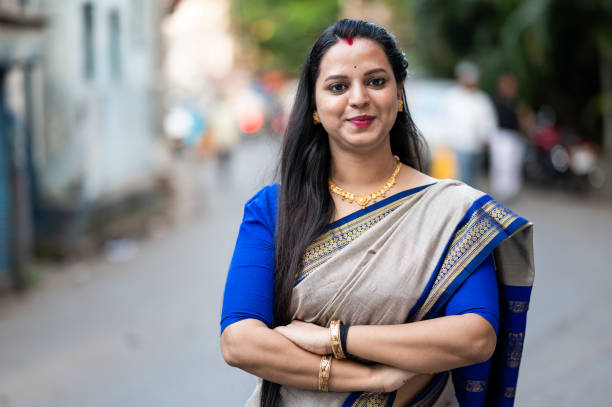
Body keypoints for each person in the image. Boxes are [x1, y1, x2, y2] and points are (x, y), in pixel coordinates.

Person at [220, 19, 534, 407]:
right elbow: (239, 341)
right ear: (315, 106)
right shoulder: (273, 210)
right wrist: (371, 377)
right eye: (338, 86)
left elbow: (474, 335)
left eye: (376, 81)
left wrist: (336, 337)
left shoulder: (454, 213)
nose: (359, 98)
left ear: (398, 94)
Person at [444, 61, 497, 187]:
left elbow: (488, 120)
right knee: (463, 178)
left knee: (474, 178)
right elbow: (447, 121)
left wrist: (487, 137)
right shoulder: (453, 97)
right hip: (460, 145)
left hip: (477, 146)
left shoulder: (482, 98)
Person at [490, 73, 525, 201]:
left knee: (513, 165)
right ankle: (501, 190)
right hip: (502, 136)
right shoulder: (498, 101)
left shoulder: (515, 102)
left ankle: (510, 190)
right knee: (502, 164)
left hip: (514, 136)